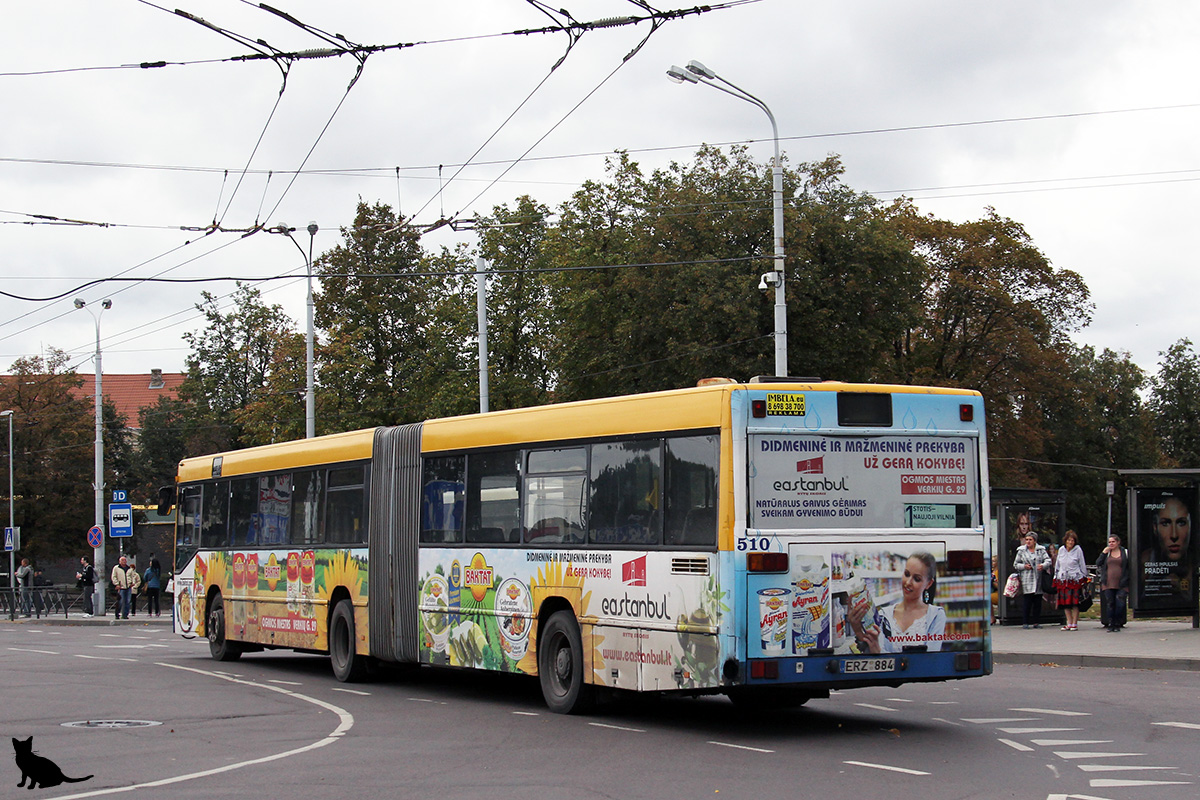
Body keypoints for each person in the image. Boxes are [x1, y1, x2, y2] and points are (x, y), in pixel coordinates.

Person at [849, 552, 947, 653]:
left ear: (929, 584)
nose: (908, 582)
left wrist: (879, 652)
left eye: (917, 579)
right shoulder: (884, 615)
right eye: (907, 574)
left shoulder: (936, 616)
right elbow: (873, 659)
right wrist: (859, 631)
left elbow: (930, 659)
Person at [1140, 496, 1192, 595]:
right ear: (1155, 527)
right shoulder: (1145, 560)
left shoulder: (1192, 563)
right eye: (1165, 523)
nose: (1174, 535)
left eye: (1181, 523)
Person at [1013, 532, 1051, 628]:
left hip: (1038, 579)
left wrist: (1042, 566)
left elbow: (1048, 560)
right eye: (1027, 539)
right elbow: (1016, 564)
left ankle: (1036, 622)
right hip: (1027, 579)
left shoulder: (1041, 550)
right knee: (1027, 602)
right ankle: (1025, 622)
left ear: (1034, 541)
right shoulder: (1021, 551)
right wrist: (1024, 566)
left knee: (1037, 602)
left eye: (1030, 540)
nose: (1028, 542)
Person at [1053, 530, 1087, 631]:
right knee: (1065, 603)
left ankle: (1074, 623)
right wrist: (1056, 576)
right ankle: (1069, 622)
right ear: (1065, 541)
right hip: (1063, 579)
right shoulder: (1062, 550)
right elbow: (1058, 564)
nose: (1070, 542)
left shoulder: (1078, 550)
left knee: (1075, 603)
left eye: (1072, 541)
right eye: (1069, 540)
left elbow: (1082, 564)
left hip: (1074, 579)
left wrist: (1083, 577)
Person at [1097, 533, 1131, 631]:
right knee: (1110, 604)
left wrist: (1127, 578)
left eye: (1113, 542)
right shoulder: (1107, 553)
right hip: (1108, 583)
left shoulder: (1125, 553)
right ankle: (1111, 623)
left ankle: (1117, 623)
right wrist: (1103, 553)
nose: (1111, 544)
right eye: (1109, 542)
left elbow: (1129, 566)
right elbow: (1098, 563)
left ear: (1118, 542)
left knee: (1120, 604)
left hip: (1122, 583)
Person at [110, 556, 140, 620]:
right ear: (119, 561)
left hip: (128, 587)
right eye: (122, 560)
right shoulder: (116, 568)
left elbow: (133, 576)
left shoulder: (129, 569)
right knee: (120, 601)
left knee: (128, 601)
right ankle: (117, 614)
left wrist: (132, 583)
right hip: (121, 587)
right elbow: (114, 576)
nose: (124, 561)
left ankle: (125, 614)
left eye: (125, 560)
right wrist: (117, 584)